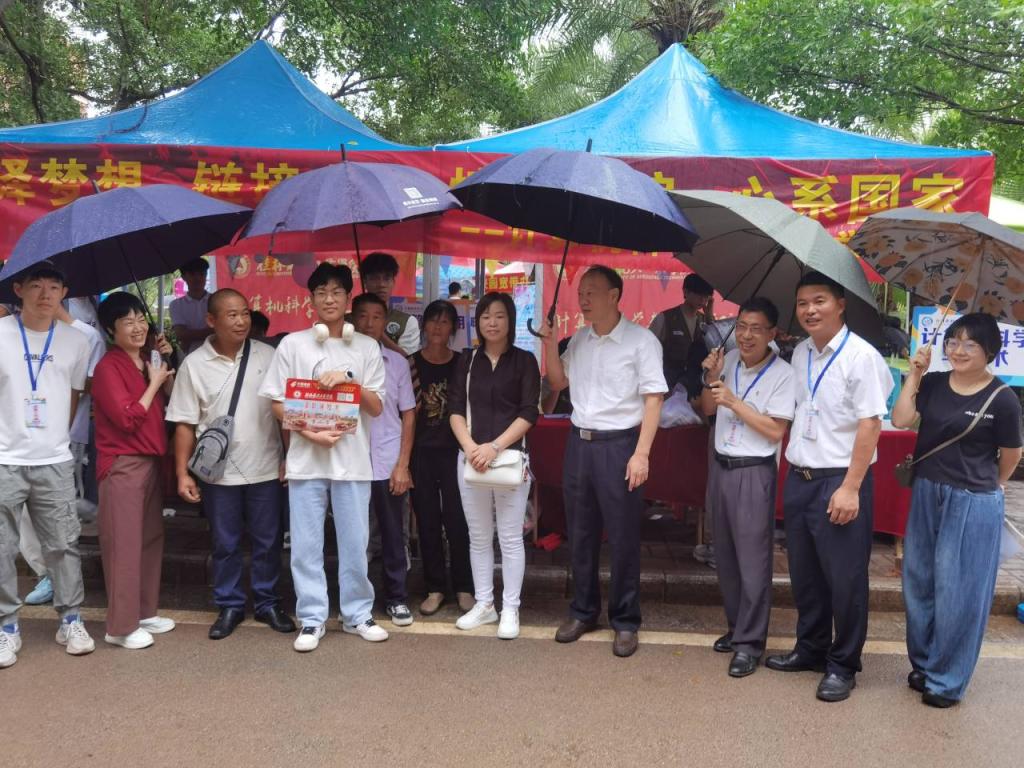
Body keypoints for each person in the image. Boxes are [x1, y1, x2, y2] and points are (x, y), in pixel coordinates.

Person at [765, 271, 893, 703]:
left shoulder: (861, 357)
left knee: (845, 579)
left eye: (819, 301)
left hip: (840, 480)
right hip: (800, 478)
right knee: (805, 574)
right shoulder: (801, 352)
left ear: (841, 304)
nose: (810, 310)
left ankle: (843, 664)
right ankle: (811, 648)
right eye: (802, 303)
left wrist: (851, 487)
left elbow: (870, 424)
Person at [892, 313, 1022, 707]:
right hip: (927, 491)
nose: (958, 350)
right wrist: (914, 375)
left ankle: (946, 680)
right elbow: (901, 419)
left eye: (970, 344)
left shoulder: (1003, 399)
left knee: (960, 591)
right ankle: (925, 663)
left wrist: (989, 485)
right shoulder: (932, 383)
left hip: (972, 500)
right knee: (919, 582)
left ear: (990, 351)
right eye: (952, 341)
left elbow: (1011, 456)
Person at [259, 262, 388, 652]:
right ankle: (312, 618)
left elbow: (377, 406)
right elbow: (276, 403)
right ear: (311, 300)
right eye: (321, 292)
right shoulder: (293, 345)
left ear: (348, 299)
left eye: (336, 292)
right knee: (305, 545)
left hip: (353, 463)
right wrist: (310, 433)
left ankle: (357, 614)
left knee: (355, 542)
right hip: (306, 461)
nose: (329, 299)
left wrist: (350, 380)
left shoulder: (366, 347)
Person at [542, 266, 667, 657]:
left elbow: (654, 399)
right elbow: (557, 382)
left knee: (623, 535)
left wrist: (642, 454)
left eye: (591, 292)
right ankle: (583, 610)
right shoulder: (579, 339)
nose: (583, 299)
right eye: (581, 292)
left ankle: (625, 620)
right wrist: (549, 344)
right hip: (580, 444)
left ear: (614, 296)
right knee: (580, 532)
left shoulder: (641, 341)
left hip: (620, 446)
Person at [167, 289, 295, 640]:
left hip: (266, 468)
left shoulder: (269, 355)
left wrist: (289, 457)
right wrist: (182, 473)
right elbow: (184, 423)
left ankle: (268, 602)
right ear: (211, 320)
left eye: (245, 313)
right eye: (232, 315)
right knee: (225, 543)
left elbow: (284, 412)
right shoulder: (194, 364)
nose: (241, 321)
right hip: (217, 475)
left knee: (268, 541)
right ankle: (230, 605)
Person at [0, 262, 96, 668]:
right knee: (2, 548)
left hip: (54, 459)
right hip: (5, 458)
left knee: (62, 545)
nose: (45, 294)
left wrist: (53, 436)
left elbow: (74, 395)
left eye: (53, 287)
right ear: (18, 289)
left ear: (64, 293)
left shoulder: (76, 341)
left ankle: (70, 619)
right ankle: (7, 626)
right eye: (35, 285)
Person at [700, 297, 795, 677]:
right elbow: (708, 409)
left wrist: (735, 402)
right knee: (724, 555)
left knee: (753, 560)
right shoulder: (729, 361)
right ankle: (736, 626)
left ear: (772, 333)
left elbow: (775, 430)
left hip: (754, 471)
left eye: (756, 329)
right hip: (721, 465)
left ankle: (750, 643)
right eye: (741, 326)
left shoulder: (783, 374)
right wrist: (711, 378)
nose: (746, 335)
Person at [449, 292, 540, 640]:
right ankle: (485, 604)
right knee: (478, 536)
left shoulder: (524, 361)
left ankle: (511, 607)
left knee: (511, 538)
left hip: (509, 459)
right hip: (471, 459)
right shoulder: (467, 360)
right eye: (485, 316)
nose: (492, 322)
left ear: (510, 321)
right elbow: (455, 409)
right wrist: (471, 447)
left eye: (499, 316)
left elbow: (529, 412)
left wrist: (495, 447)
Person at [91, 292, 176, 650]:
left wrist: (164, 367)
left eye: (141, 318)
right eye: (127, 321)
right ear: (111, 330)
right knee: (123, 544)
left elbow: (169, 402)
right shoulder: (107, 368)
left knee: (149, 539)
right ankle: (120, 626)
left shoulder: (147, 361)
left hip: (150, 461)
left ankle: (143, 611)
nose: (138, 326)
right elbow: (127, 418)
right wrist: (154, 383)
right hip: (123, 463)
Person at [352, 292, 417, 627]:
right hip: (349, 461)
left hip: (388, 459)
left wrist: (402, 465)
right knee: (354, 535)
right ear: (352, 320)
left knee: (393, 534)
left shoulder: (397, 363)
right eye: (363, 316)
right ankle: (354, 601)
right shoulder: (339, 360)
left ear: (385, 322)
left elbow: (409, 415)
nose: (369, 323)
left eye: (376, 317)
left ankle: (396, 598)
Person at [408, 300, 474, 616]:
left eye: (445, 321)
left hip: (455, 454)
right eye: (433, 320)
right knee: (428, 521)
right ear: (424, 325)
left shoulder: (463, 363)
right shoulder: (410, 364)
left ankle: (464, 587)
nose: (438, 327)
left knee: (459, 520)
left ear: (453, 328)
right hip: (420, 453)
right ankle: (434, 588)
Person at [358, 251, 420, 355]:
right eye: (375, 278)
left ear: (393, 282)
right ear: (365, 281)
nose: (381, 284)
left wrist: (379, 334)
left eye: (386, 278)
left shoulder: (408, 322)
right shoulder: (349, 321)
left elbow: (408, 359)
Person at [170, 257, 211, 354]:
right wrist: (213, 331)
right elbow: (181, 334)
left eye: (201, 274)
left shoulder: (217, 300)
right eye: (192, 274)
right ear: (183, 277)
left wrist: (190, 334)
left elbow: (223, 330)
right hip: (189, 355)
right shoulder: (176, 305)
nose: (198, 278)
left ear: (206, 275)